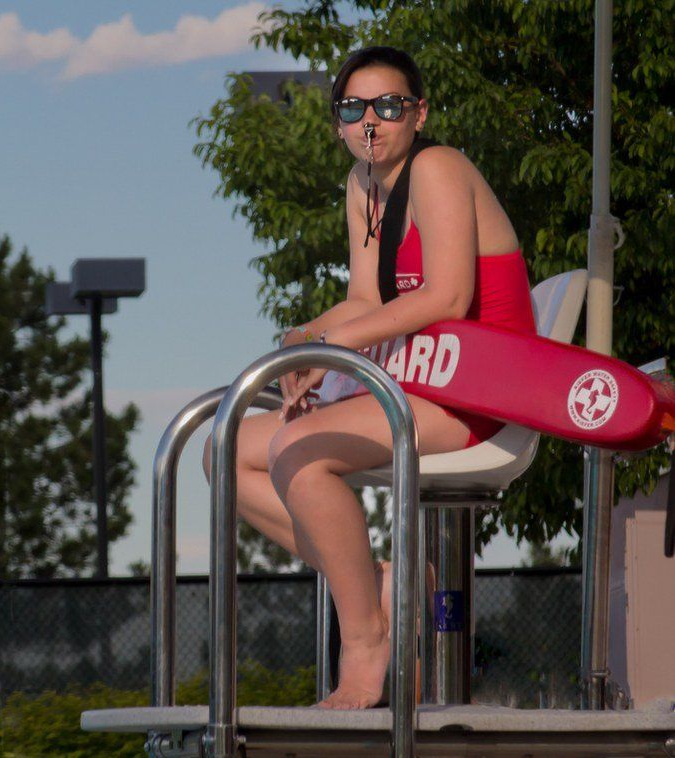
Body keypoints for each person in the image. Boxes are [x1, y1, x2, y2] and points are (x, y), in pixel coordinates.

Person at [202, 46, 536, 709]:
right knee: (222, 448)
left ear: (419, 113)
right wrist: (299, 341)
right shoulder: (364, 186)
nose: (372, 123)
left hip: (476, 389)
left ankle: (365, 642)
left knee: (297, 450)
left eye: (389, 106)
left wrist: (327, 348)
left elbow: (445, 296)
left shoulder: (439, 169)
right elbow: (366, 300)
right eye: (355, 109)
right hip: (414, 379)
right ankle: (379, 584)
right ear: (338, 123)